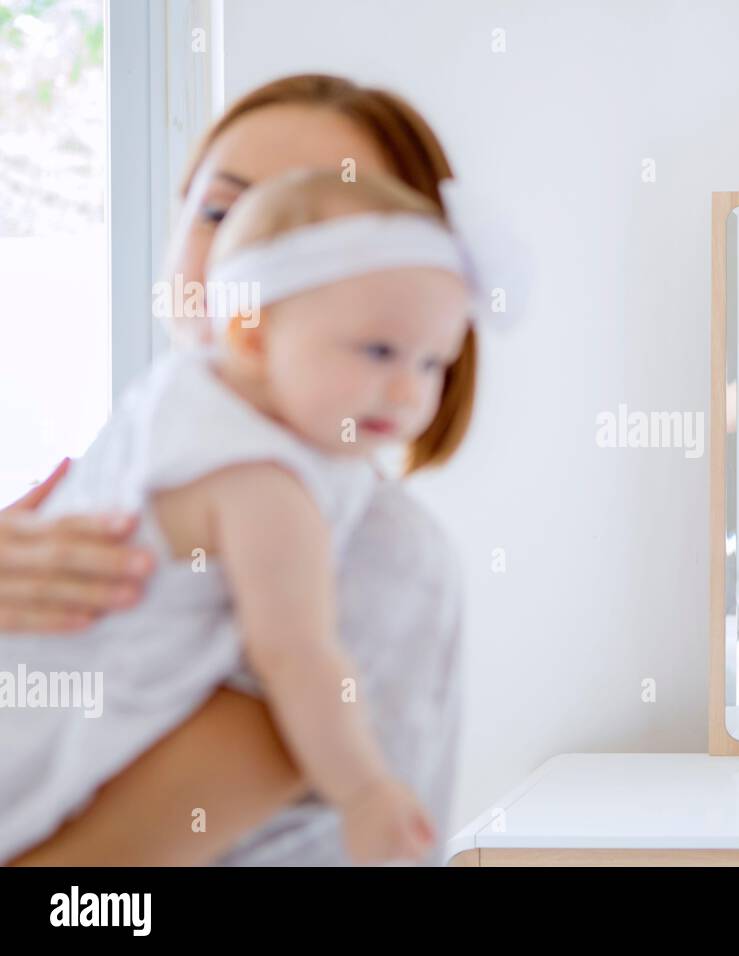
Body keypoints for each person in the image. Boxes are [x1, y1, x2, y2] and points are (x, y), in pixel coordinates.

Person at [3, 74, 474, 866]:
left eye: (316, 236)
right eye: (221, 211)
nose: (243, 255)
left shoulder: (374, 558)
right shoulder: (138, 463)